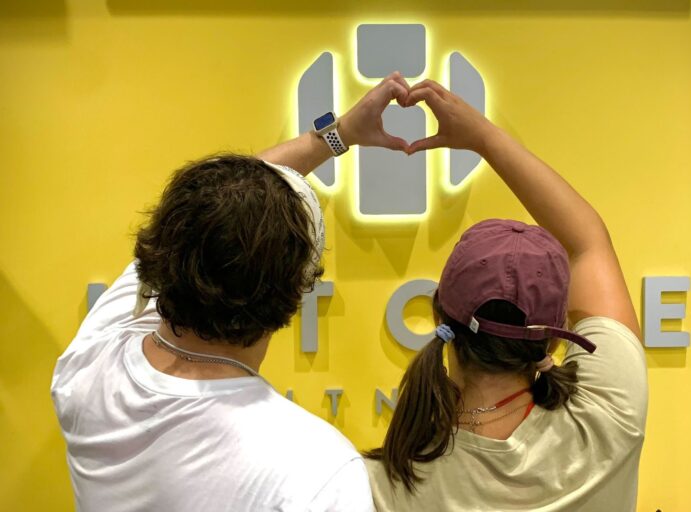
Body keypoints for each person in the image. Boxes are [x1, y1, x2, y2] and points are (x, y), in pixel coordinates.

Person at [50, 73, 412, 512]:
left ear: (163, 252)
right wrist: (339, 136)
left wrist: (339, 135)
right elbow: (228, 207)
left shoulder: (90, 364)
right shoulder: (317, 471)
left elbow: (218, 209)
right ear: (296, 295)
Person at [365, 80, 649, 511]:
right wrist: (483, 137)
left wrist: (331, 137)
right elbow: (589, 243)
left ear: (441, 315)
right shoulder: (609, 418)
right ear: (553, 338)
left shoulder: (387, 486)